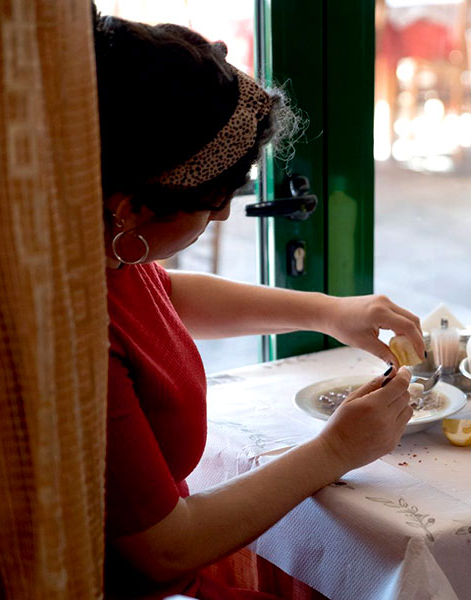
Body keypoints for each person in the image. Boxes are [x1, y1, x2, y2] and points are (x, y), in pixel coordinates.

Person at [93, 9, 425, 599]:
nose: (222, 214)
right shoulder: (78, 334)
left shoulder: (110, 255)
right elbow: (165, 549)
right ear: (132, 207)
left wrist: (329, 312)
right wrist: (336, 449)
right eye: (214, 200)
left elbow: (166, 298)